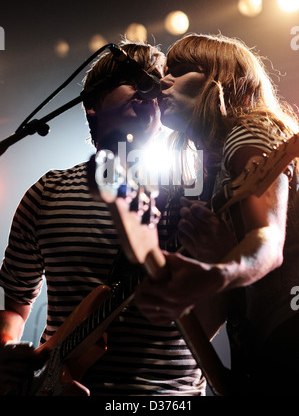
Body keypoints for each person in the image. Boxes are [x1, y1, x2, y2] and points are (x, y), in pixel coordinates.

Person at [0, 40, 206, 396]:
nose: (148, 94)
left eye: (155, 86)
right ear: (92, 104)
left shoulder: (190, 190)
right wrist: (6, 351)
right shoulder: (46, 192)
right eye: (134, 81)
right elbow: (15, 308)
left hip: (166, 397)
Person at [135, 33, 299, 395]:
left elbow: (268, 242)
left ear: (222, 79)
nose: (163, 80)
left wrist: (215, 273)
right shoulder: (210, 178)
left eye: (179, 71)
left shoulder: (247, 132)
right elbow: (211, 323)